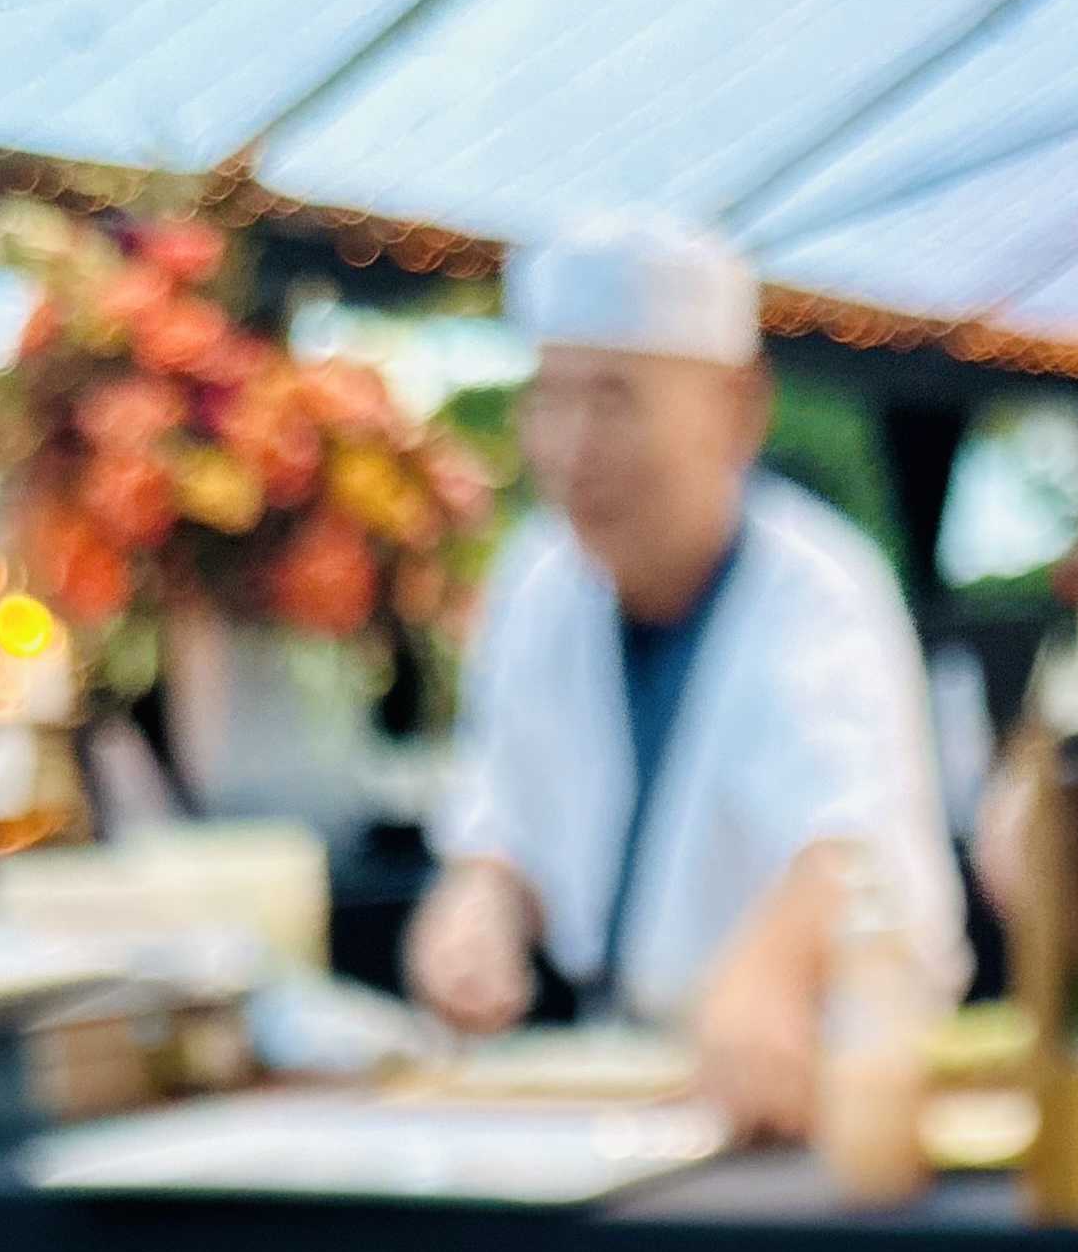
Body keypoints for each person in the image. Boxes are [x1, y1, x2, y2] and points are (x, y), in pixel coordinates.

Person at [409, 211, 963, 1136]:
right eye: (551, 398)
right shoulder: (539, 580)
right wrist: (479, 906)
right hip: (617, 1090)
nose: (573, 447)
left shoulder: (820, 589)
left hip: (812, 1098)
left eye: (616, 399)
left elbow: (849, 839)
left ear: (737, 409)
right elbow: (504, 816)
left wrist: (771, 975)